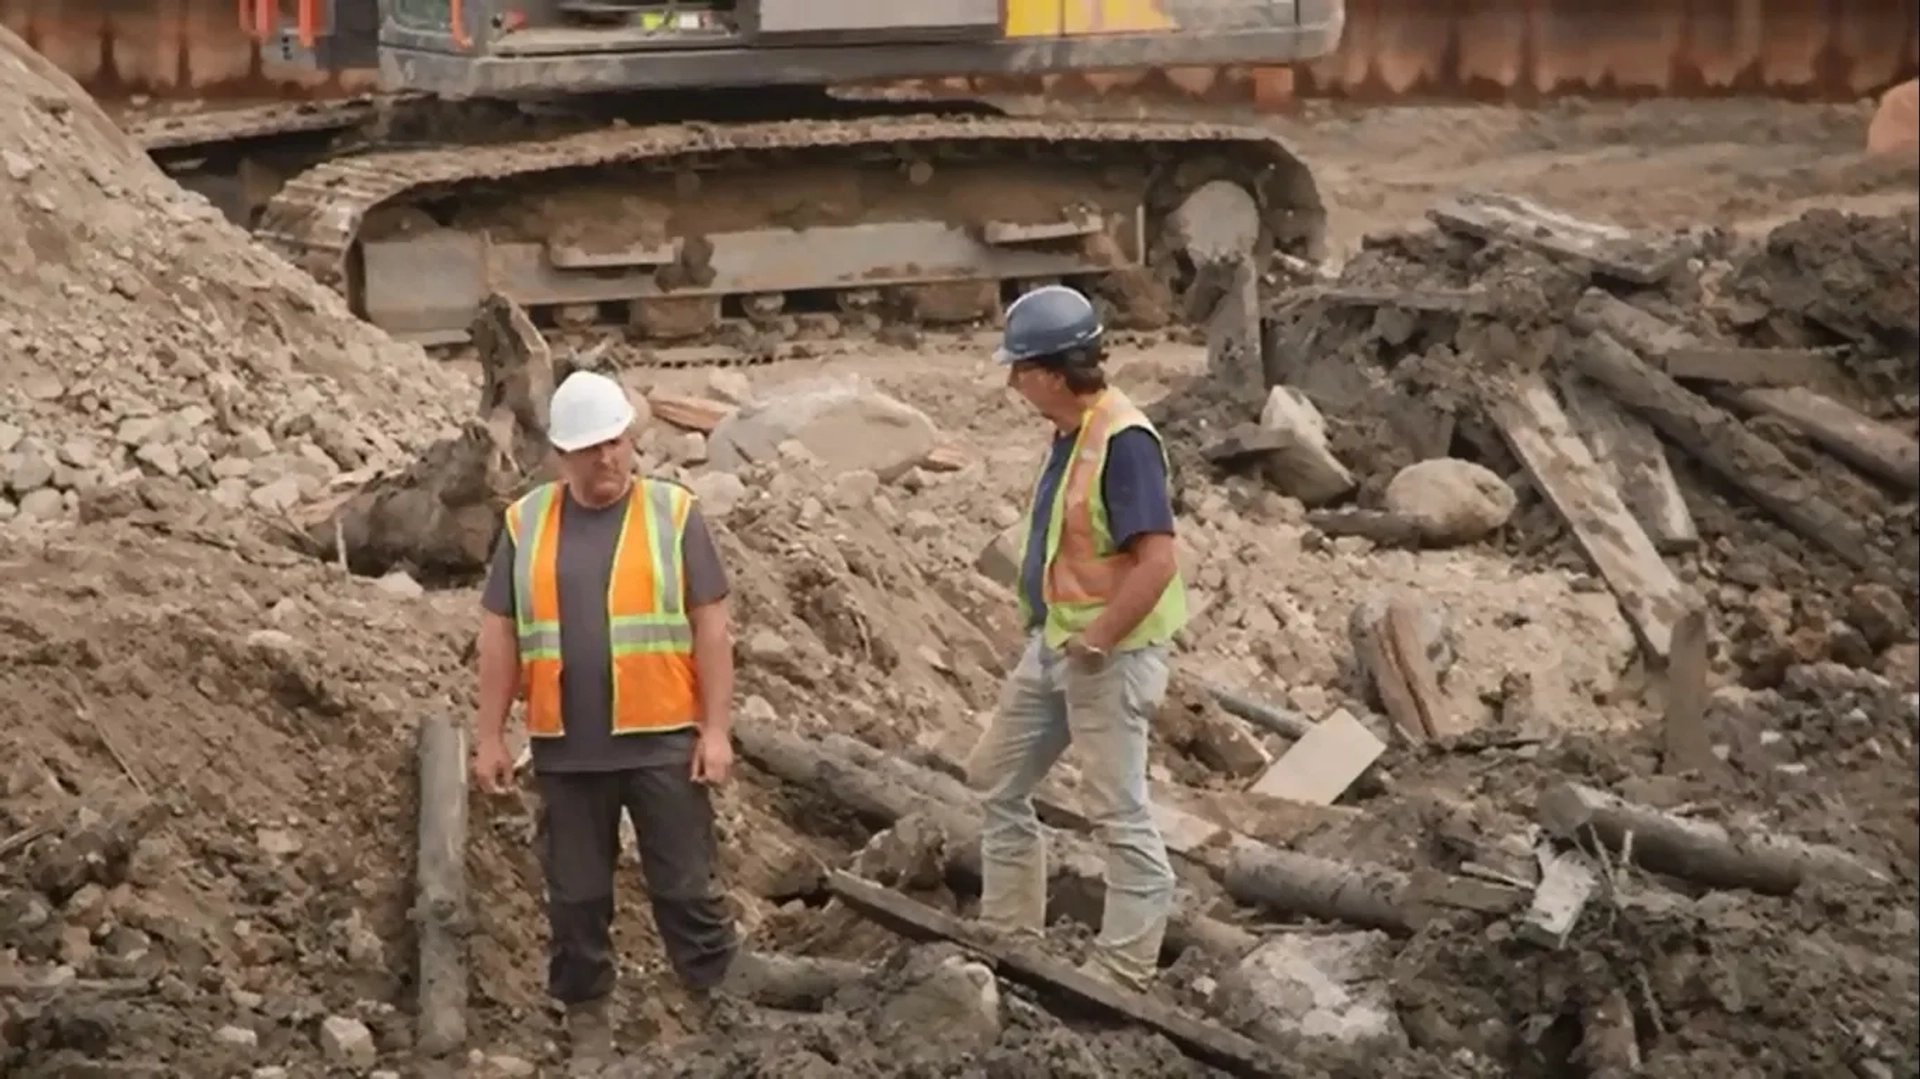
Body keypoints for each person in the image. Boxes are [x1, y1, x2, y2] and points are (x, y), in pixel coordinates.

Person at [470, 369, 740, 1067]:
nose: (608, 460)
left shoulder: (673, 514)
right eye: (591, 449)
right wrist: (491, 734)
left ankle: (723, 1017)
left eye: (617, 443)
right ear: (561, 455)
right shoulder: (525, 523)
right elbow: (500, 633)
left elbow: (711, 627)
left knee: (688, 890)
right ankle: (589, 1028)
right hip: (567, 750)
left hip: (664, 744)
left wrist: (715, 729)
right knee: (577, 901)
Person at [964, 284, 1187, 991]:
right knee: (995, 777)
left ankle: (1123, 971)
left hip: (1107, 654)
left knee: (1119, 811)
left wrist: (1098, 638)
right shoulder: (1071, 433)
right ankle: (1008, 932)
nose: (1011, 383)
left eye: (1020, 368)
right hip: (1059, 644)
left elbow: (1157, 561)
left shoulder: (1124, 443)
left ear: (1053, 373)